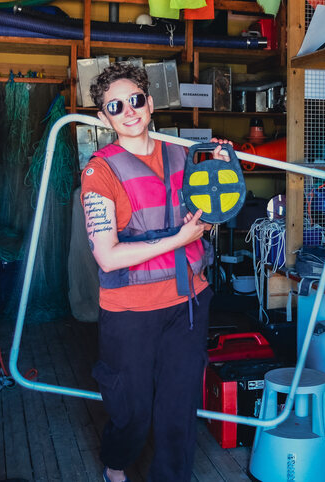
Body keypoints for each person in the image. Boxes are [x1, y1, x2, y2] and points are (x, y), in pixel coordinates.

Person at [80, 62, 228, 482]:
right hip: (131, 314)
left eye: (135, 100)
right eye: (115, 105)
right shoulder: (100, 172)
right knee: (133, 411)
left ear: (149, 103)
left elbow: (210, 218)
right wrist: (179, 241)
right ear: (102, 117)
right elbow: (107, 256)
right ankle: (115, 465)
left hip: (188, 304)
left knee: (178, 410)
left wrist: (220, 170)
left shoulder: (184, 155)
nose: (128, 111)